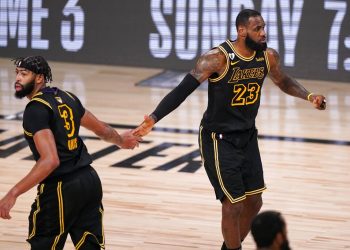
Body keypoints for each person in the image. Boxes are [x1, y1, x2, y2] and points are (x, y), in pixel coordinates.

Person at [133, 9, 326, 250]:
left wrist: (309, 96)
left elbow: (283, 80)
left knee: (254, 202)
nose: (263, 33)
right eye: (258, 29)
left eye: (264, 28)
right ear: (241, 30)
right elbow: (182, 90)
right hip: (218, 138)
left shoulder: (268, 57)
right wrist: (153, 118)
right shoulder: (218, 58)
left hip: (247, 136)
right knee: (233, 204)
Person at [0, 56, 142, 249]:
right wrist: (120, 140)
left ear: (40, 78)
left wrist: (13, 193)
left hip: (60, 188)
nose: (17, 78)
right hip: (90, 182)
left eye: (24, 74)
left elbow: (50, 161)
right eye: (17, 73)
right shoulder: (67, 97)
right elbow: (102, 130)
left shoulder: (35, 109)